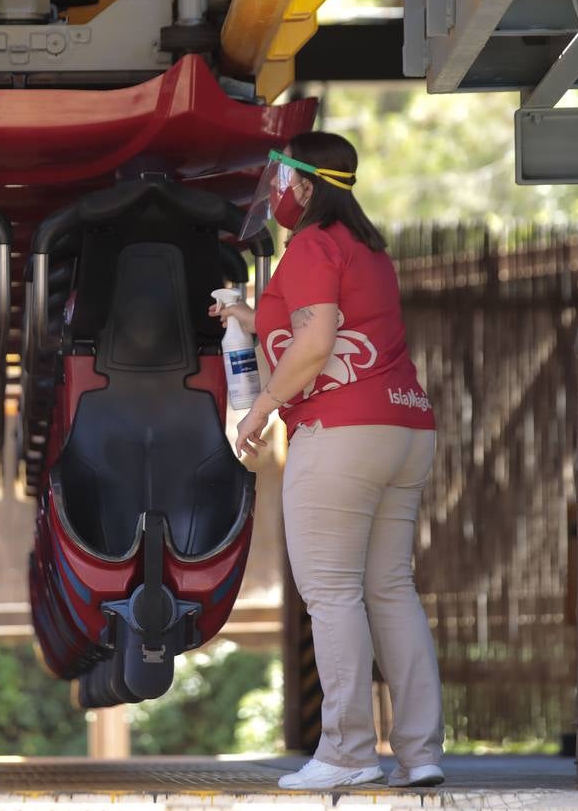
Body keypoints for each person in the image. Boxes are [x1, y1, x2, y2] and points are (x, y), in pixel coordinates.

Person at [211, 132, 442, 790]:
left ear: (306, 185)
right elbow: (328, 326)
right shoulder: (369, 250)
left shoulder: (312, 244)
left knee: (333, 591)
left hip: (341, 431)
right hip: (403, 425)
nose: (275, 191)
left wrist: (259, 412)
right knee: (390, 588)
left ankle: (346, 751)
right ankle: (420, 752)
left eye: (281, 178)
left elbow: (314, 344)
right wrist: (251, 318)